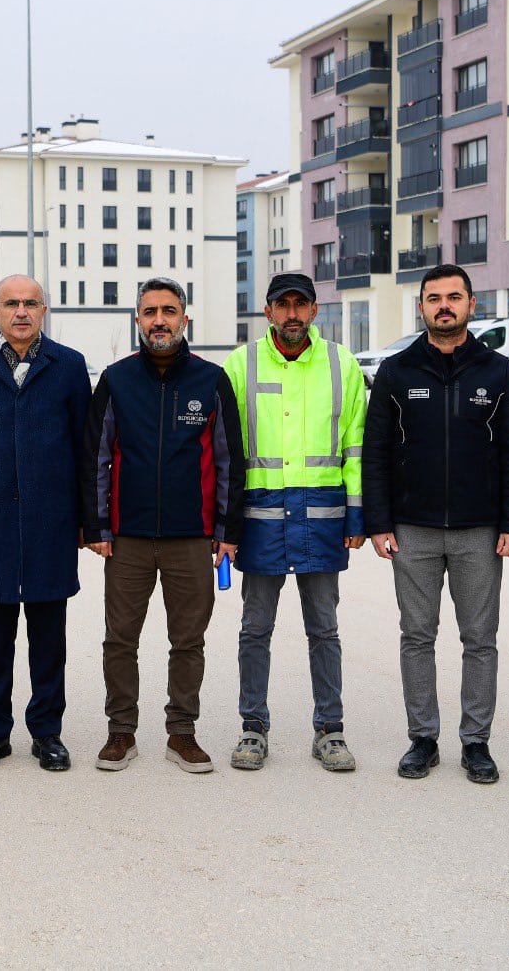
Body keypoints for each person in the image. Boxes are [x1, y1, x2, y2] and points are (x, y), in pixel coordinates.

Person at [362, 263, 509, 784]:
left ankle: (476, 742)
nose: (443, 306)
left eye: (453, 297)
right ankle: (423, 738)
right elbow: (376, 452)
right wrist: (378, 522)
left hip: (480, 530)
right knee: (417, 635)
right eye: (434, 298)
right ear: (421, 306)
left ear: (470, 304)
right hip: (412, 528)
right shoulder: (396, 371)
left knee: (480, 637)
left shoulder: (498, 371)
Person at [82, 277, 244, 774]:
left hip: (191, 539)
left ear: (184, 319)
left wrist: (227, 531)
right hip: (126, 539)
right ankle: (120, 732)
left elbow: (230, 461)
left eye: (168, 311)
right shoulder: (115, 379)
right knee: (119, 639)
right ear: (138, 320)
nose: (159, 320)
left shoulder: (211, 380)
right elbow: (97, 457)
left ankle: (182, 733)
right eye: (150, 311)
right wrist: (97, 527)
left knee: (188, 640)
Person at [222, 272, 366, 773]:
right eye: (282, 306)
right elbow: (227, 451)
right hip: (259, 518)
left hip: (323, 516)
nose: (291, 314)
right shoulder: (240, 364)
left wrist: (357, 513)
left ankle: (330, 730)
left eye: (300, 305)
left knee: (323, 628)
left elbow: (355, 445)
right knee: (254, 628)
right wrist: (226, 527)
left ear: (314, 310)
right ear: (267, 312)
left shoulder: (340, 363)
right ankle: (252, 728)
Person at [0, 275, 90, 772]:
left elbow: (85, 449)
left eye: (31, 303)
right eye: (12, 303)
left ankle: (47, 732)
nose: (21, 312)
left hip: (53, 521)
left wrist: (86, 521)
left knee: (49, 637)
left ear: (44, 310)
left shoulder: (69, 366)